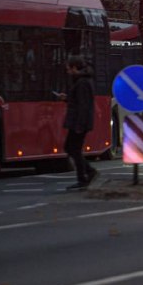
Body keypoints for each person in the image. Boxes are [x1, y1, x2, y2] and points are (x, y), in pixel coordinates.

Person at [59, 54, 98, 190]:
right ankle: (86, 174)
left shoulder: (82, 82)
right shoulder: (83, 80)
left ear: (75, 68)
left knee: (72, 148)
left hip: (79, 122)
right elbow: (80, 101)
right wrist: (67, 98)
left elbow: (83, 105)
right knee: (72, 148)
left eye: (69, 69)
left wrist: (80, 125)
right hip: (79, 121)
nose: (67, 71)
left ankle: (86, 174)